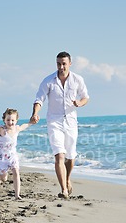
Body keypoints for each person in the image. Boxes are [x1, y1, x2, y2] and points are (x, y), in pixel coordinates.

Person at [30, 51, 90, 199]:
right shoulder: (48, 81)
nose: (61, 67)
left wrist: (79, 103)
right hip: (54, 121)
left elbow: (85, 97)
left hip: (70, 121)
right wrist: (35, 113)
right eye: (59, 64)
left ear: (70, 63)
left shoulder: (77, 79)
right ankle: (63, 189)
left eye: (64, 63)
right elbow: (39, 99)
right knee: (59, 156)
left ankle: (68, 179)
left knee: (70, 156)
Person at [0, 108, 32, 200]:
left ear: (16, 121)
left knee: (16, 171)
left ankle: (17, 195)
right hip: (1, 157)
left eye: (12, 120)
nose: (10, 122)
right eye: (8, 120)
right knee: (4, 178)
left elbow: (24, 126)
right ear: (4, 120)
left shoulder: (17, 128)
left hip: (12, 156)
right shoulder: (1, 129)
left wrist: (31, 122)